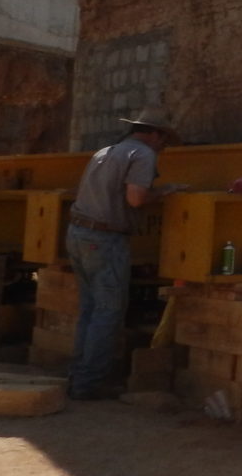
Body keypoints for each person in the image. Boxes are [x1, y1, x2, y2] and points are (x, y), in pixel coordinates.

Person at [66, 110, 177, 399]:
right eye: (164, 140)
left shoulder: (105, 151)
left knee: (90, 310)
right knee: (108, 312)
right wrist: (163, 192)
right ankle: (88, 384)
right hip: (105, 239)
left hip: (78, 234)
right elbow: (135, 198)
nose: (163, 146)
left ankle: (78, 376)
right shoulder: (142, 154)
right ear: (155, 134)